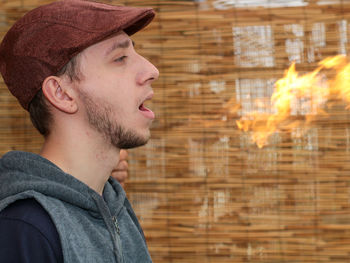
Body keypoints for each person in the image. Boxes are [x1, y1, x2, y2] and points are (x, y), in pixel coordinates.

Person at [0, 0, 159, 262]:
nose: (151, 70)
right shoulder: (24, 229)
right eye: (119, 58)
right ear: (62, 94)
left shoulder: (114, 208)